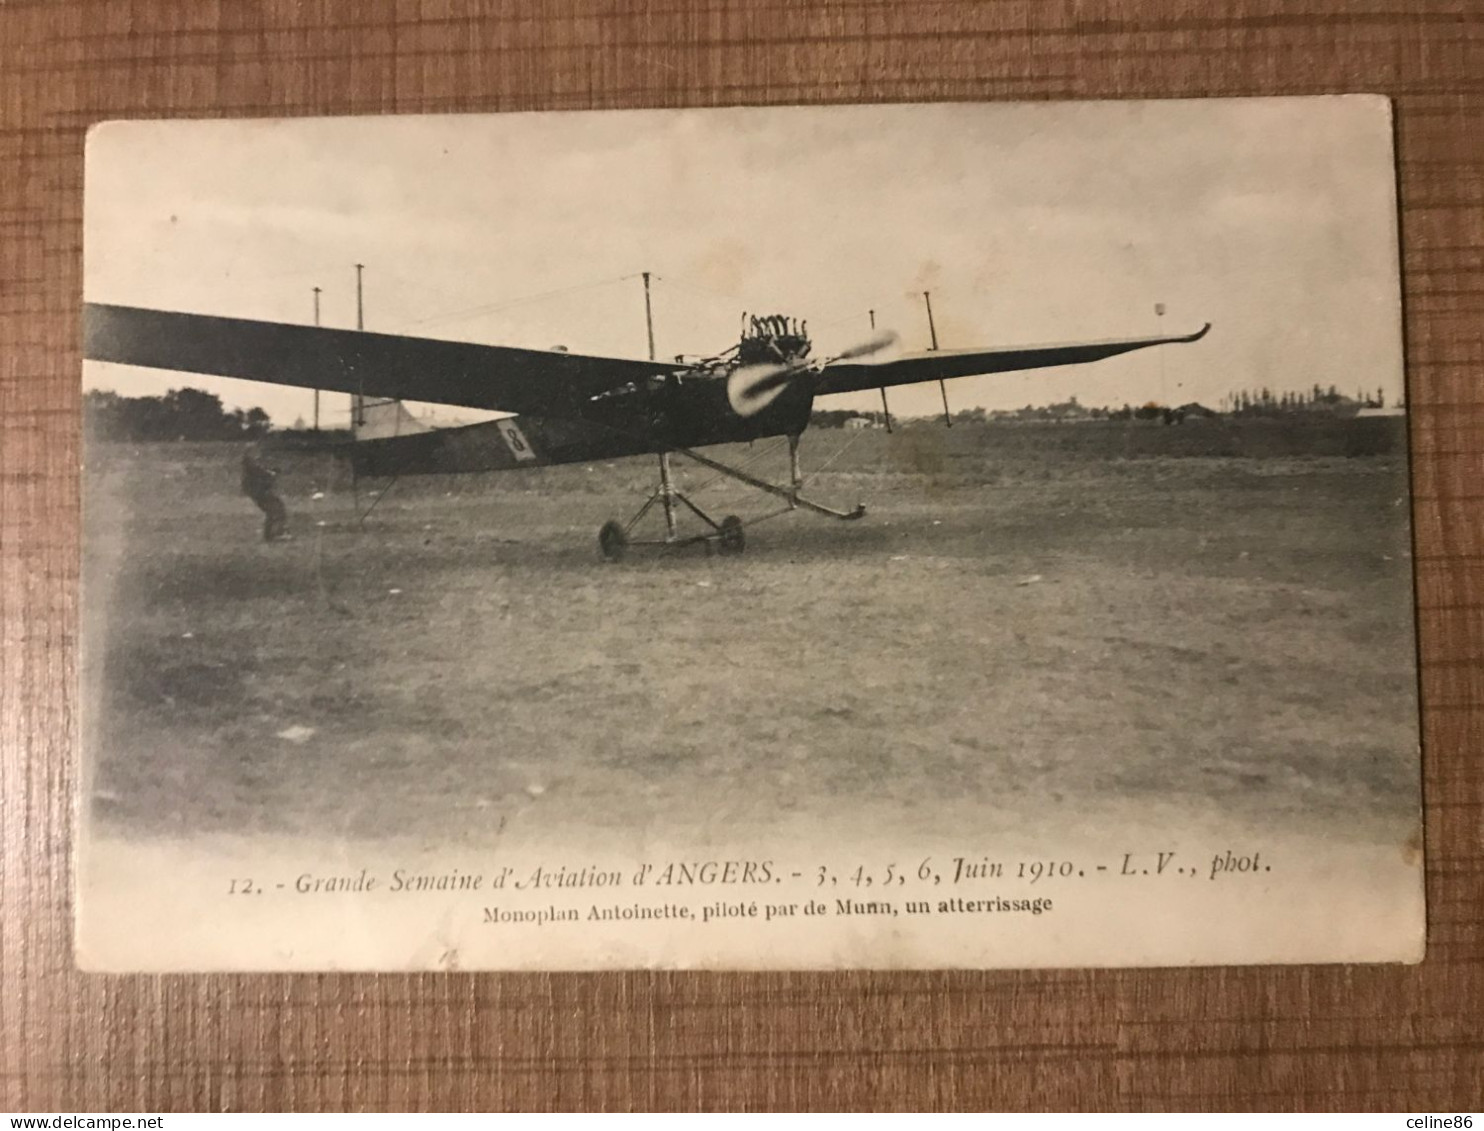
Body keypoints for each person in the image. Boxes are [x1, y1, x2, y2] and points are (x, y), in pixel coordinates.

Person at [241, 447, 288, 542]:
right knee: (275, 510)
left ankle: (272, 534)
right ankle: (275, 534)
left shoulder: (251, 470)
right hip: (261, 494)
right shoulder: (253, 470)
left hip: (260, 494)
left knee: (274, 511)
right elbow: (264, 475)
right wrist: (272, 474)